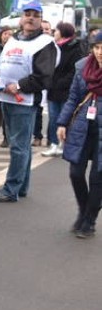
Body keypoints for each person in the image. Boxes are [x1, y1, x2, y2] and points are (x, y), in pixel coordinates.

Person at [0, 1, 57, 203]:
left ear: (40, 19)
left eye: (35, 15)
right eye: (27, 13)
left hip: (24, 101)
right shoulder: (13, 39)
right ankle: (21, 186)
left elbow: (44, 77)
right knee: (20, 146)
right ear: (21, 17)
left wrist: (18, 86)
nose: (30, 18)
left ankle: (11, 189)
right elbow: (2, 64)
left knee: (18, 146)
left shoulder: (45, 43)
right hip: (5, 97)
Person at [57, 33, 102, 238]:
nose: (100, 52)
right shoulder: (83, 67)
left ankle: (89, 221)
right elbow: (73, 97)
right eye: (97, 47)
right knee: (76, 172)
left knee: (97, 178)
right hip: (82, 126)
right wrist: (62, 122)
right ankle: (84, 211)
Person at [43, 22, 85, 157]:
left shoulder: (76, 48)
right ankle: (54, 144)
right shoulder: (53, 47)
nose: (54, 33)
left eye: (57, 30)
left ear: (63, 32)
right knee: (53, 117)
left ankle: (64, 144)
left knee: (65, 118)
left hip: (66, 90)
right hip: (52, 89)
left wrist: (60, 83)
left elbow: (74, 71)